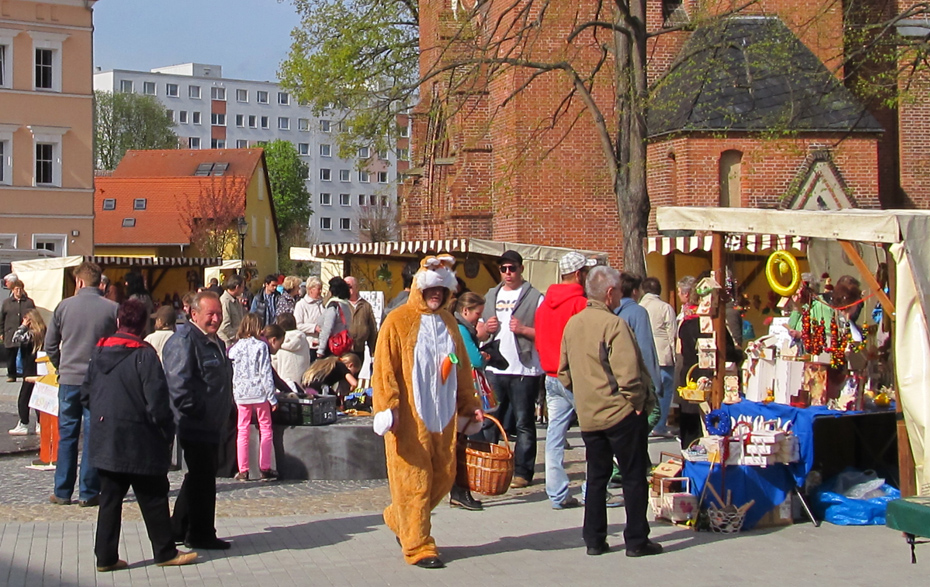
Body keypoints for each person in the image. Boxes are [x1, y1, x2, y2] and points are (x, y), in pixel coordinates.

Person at [372, 255, 483, 569]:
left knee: (444, 477)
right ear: (420, 289)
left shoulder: (450, 323)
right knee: (415, 481)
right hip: (409, 419)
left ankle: (400, 517)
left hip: (444, 417)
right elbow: (384, 370)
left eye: (441, 290)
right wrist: (387, 407)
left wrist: (469, 406)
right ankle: (419, 545)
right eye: (431, 289)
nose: (436, 294)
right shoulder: (398, 320)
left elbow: (461, 370)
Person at [80, 300, 198, 572]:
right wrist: (166, 432)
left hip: (106, 435)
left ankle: (105, 556)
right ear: (143, 323)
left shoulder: (99, 350)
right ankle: (165, 551)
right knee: (153, 496)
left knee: (109, 499)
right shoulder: (144, 354)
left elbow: (85, 393)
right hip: (139, 437)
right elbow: (157, 401)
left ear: (119, 321)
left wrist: (102, 413)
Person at [558, 266, 662, 558]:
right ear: (609, 292)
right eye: (617, 290)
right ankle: (636, 539)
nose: (619, 295)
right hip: (619, 412)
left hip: (590, 414)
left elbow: (563, 372)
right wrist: (637, 403)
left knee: (597, 476)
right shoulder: (613, 325)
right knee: (633, 476)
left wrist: (584, 394)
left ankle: (594, 538)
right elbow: (629, 375)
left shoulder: (573, 324)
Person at [162, 291, 234, 550]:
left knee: (199, 477)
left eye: (218, 314)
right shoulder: (184, 341)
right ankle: (201, 533)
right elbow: (178, 386)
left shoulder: (216, 342)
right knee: (204, 480)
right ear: (194, 314)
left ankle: (179, 527)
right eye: (210, 314)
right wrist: (197, 414)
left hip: (213, 421)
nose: (215, 319)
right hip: (195, 423)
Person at [46, 262, 119, 507]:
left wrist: (60, 366)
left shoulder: (63, 307)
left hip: (69, 379)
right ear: (100, 282)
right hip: (98, 380)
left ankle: (62, 490)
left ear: (78, 282)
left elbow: (50, 345)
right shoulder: (112, 309)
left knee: (67, 435)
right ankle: (88, 492)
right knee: (92, 435)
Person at [534, 251, 595, 509]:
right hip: (576, 376)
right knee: (594, 434)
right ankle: (592, 490)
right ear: (580, 274)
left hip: (550, 374)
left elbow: (539, 338)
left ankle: (556, 493)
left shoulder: (544, 304)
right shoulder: (581, 304)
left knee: (555, 437)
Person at [482, 250, 543, 488]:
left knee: (523, 423)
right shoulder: (491, 295)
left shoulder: (535, 297)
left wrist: (524, 330)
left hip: (524, 368)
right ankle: (489, 465)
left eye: (512, 268)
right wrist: (486, 327)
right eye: (504, 269)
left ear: (521, 269)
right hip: (495, 368)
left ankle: (523, 472)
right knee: (490, 420)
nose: (508, 273)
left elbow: (545, 334)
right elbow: (479, 331)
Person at [450, 292, 490, 511]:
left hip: (460, 391)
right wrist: (484, 357)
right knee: (464, 444)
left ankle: (458, 490)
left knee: (462, 442)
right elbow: (473, 359)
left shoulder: (461, 327)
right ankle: (460, 489)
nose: (479, 319)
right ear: (466, 311)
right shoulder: (463, 330)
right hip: (464, 391)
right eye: (477, 314)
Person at [228, 313, 278, 482]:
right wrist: (272, 397)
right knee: (265, 428)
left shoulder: (235, 348)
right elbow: (265, 372)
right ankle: (265, 467)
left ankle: (243, 469)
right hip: (259, 392)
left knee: (242, 430)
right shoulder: (260, 346)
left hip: (241, 394)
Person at [639, 277, 678, 437]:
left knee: (645, 391)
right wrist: (674, 354)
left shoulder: (639, 307)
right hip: (662, 353)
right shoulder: (665, 307)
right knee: (664, 390)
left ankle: (646, 422)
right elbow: (672, 333)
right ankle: (660, 425)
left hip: (643, 354)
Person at [8, 309, 46, 436]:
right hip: (41, 368)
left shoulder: (31, 334)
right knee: (39, 397)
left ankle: (24, 423)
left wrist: (23, 326)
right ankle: (40, 423)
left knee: (24, 398)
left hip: (30, 369)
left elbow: (15, 338)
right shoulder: (43, 332)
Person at [1, 280, 35, 383]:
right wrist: (1, 332)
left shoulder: (28, 302)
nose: (19, 291)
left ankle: (26, 374)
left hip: (25, 333)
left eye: (20, 289)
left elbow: (34, 316)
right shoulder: (7, 303)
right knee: (11, 355)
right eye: (16, 289)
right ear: (13, 290)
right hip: (10, 332)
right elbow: (2, 318)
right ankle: (12, 375)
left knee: (25, 355)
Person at [317, 277, 352, 358]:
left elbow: (327, 328)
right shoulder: (346, 305)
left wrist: (321, 349)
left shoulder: (333, 306)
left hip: (332, 346)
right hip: (344, 344)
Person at [273, 313, 312, 386]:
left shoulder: (277, 343)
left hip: (284, 385)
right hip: (302, 384)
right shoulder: (302, 339)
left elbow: (274, 365)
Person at [345, 276, 378, 358]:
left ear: (356, 287)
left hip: (359, 349)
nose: (346, 289)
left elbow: (372, 329)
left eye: (349, 286)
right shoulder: (340, 304)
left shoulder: (365, 305)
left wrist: (373, 352)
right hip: (343, 349)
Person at [294, 277, 324, 354]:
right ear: (311, 289)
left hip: (323, 344)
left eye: (321, 289)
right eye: (318, 289)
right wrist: (314, 328)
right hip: (309, 345)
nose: (321, 291)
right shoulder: (301, 305)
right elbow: (298, 325)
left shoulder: (323, 303)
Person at [218, 275, 246, 348]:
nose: (243, 290)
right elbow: (224, 327)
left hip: (236, 341)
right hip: (229, 343)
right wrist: (238, 336)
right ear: (237, 287)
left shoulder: (236, 300)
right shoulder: (225, 301)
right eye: (242, 287)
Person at [125, 271, 156, 336]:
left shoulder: (133, 300)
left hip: (137, 334)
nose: (125, 284)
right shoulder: (147, 297)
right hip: (148, 332)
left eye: (127, 281)